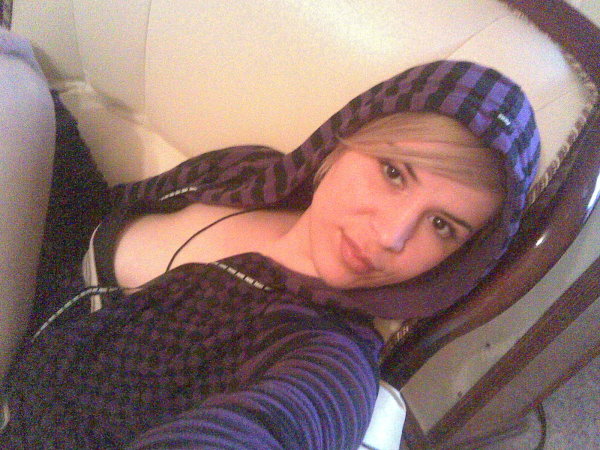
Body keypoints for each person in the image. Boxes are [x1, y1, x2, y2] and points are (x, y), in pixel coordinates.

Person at [1, 59, 540, 448]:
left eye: (442, 226)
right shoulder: (243, 174)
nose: (390, 237)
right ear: (348, 139)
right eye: (394, 172)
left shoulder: (325, 357)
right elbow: (90, 211)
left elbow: (281, 424)